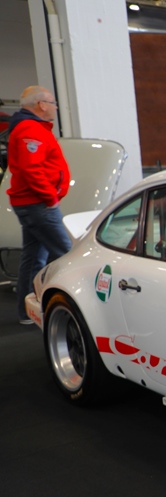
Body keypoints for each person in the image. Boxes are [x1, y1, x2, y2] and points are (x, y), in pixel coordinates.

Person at [6, 85, 72, 324]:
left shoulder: (31, 128)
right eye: (53, 103)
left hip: (34, 203)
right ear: (41, 105)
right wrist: (50, 198)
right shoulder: (29, 129)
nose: (56, 107)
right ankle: (72, 309)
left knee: (33, 257)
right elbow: (31, 169)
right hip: (38, 204)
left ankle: (27, 312)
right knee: (67, 255)